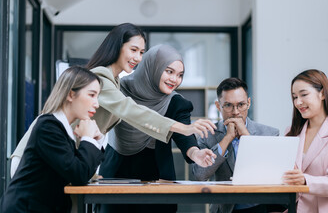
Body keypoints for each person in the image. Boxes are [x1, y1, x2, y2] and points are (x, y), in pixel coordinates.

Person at [10, 23, 216, 175]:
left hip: (62, 157)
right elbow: (131, 111)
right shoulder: (101, 78)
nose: (137, 58)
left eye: (141, 52)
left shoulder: (115, 82)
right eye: (133, 50)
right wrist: (184, 127)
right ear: (118, 47)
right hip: (38, 155)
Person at [98, 44, 216, 213]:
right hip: (116, 173)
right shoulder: (120, 89)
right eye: (169, 71)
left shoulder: (176, 102)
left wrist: (195, 153)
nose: (174, 79)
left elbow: (184, 136)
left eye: (180, 75)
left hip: (157, 177)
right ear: (152, 66)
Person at [0, 66, 104, 213]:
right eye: (92, 95)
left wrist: (95, 140)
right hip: (25, 208)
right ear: (70, 95)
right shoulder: (48, 127)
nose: (97, 104)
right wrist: (88, 139)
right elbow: (78, 175)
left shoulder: (61, 129)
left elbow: (83, 173)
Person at [192, 77, 280, 213]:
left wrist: (245, 135)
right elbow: (200, 175)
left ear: (249, 103)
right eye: (228, 105)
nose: (235, 112)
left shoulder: (270, 133)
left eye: (241, 105)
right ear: (218, 106)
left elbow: (272, 174)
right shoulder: (207, 135)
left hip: (261, 207)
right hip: (225, 209)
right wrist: (227, 138)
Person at [282, 69, 328, 213]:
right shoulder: (291, 132)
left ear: (322, 93)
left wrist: (304, 180)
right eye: (294, 97)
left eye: (303, 94)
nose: (298, 102)